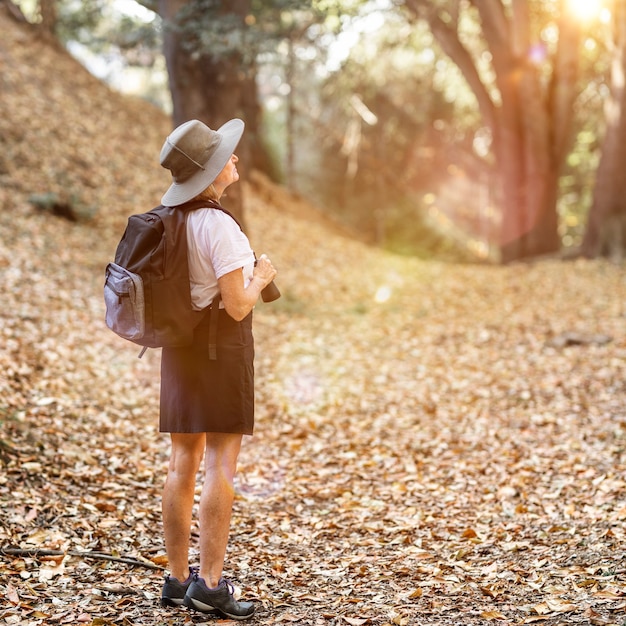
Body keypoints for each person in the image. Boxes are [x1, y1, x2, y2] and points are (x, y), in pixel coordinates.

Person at [156, 118, 277, 620]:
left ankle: (176, 578)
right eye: (225, 155)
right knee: (221, 466)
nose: (234, 159)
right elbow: (237, 305)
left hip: (179, 351)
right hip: (220, 353)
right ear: (208, 173)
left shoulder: (172, 220)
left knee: (180, 464)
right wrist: (263, 275)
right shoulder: (220, 226)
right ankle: (209, 585)